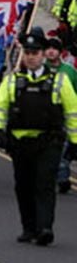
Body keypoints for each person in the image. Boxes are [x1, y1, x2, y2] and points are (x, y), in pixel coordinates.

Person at [0, 29, 77, 245]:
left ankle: (45, 227)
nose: (31, 56)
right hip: (20, 143)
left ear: (42, 54)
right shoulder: (13, 81)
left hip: (49, 141)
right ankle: (28, 227)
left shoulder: (59, 80)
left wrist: (75, 141)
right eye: (28, 52)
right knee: (24, 185)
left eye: (35, 52)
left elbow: (72, 111)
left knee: (45, 184)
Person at [45, 37, 77, 194]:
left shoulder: (69, 71)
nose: (51, 51)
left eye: (54, 49)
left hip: (64, 116)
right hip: (43, 116)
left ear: (60, 51)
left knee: (62, 149)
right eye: (48, 48)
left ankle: (63, 178)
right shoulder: (40, 69)